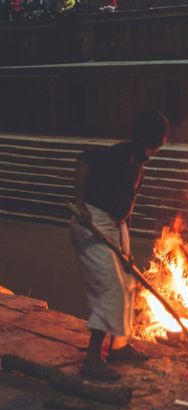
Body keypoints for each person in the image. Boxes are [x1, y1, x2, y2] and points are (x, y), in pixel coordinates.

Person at [70, 110, 170, 380]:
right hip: (93, 223)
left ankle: (119, 346)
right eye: (159, 140)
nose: (161, 146)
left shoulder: (138, 164)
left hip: (115, 224)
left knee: (128, 281)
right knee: (111, 289)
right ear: (150, 139)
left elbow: (127, 206)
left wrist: (126, 250)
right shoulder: (119, 155)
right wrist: (80, 203)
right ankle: (92, 359)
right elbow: (83, 162)